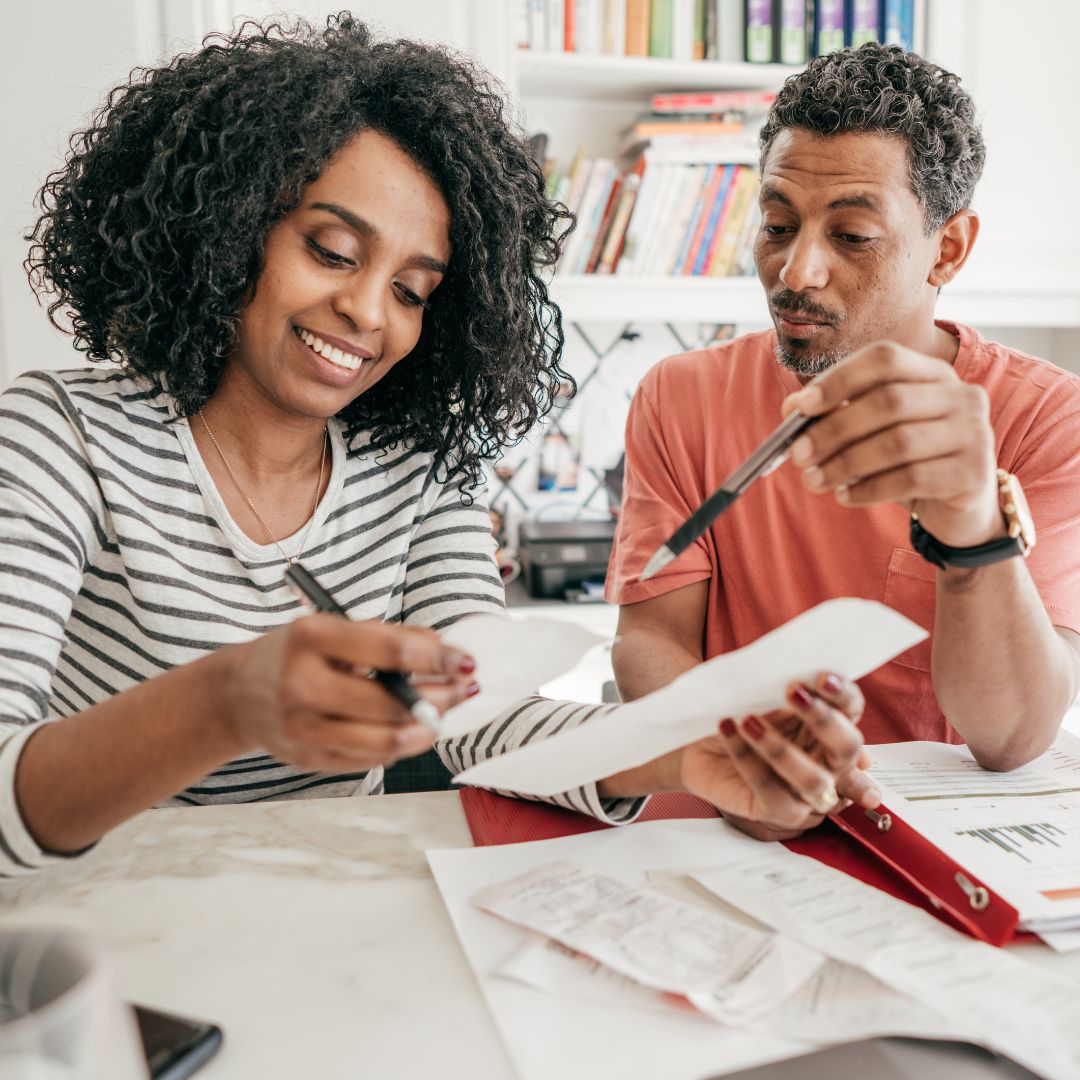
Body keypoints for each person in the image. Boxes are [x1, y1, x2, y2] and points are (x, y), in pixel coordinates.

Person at [0, 16, 868, 877]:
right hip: (96, 931)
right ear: (226, 228)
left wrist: (689, 751)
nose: (369, 313)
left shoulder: (417, 474)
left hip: (334, 915)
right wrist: (223, 703)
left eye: (413, 291)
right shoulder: (59, 442)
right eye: (332, 251)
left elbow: (488, 721)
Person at [603, 43, 1080, 840]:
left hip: (936, 839)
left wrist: (971, 523)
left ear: (949, 250)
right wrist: (737, 760)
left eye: (852, 235)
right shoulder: (680, 396)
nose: (796, 272)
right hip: (731, 821)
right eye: (779, 224)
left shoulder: (1043, 418)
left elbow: (1012, 737)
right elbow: (651, 640)